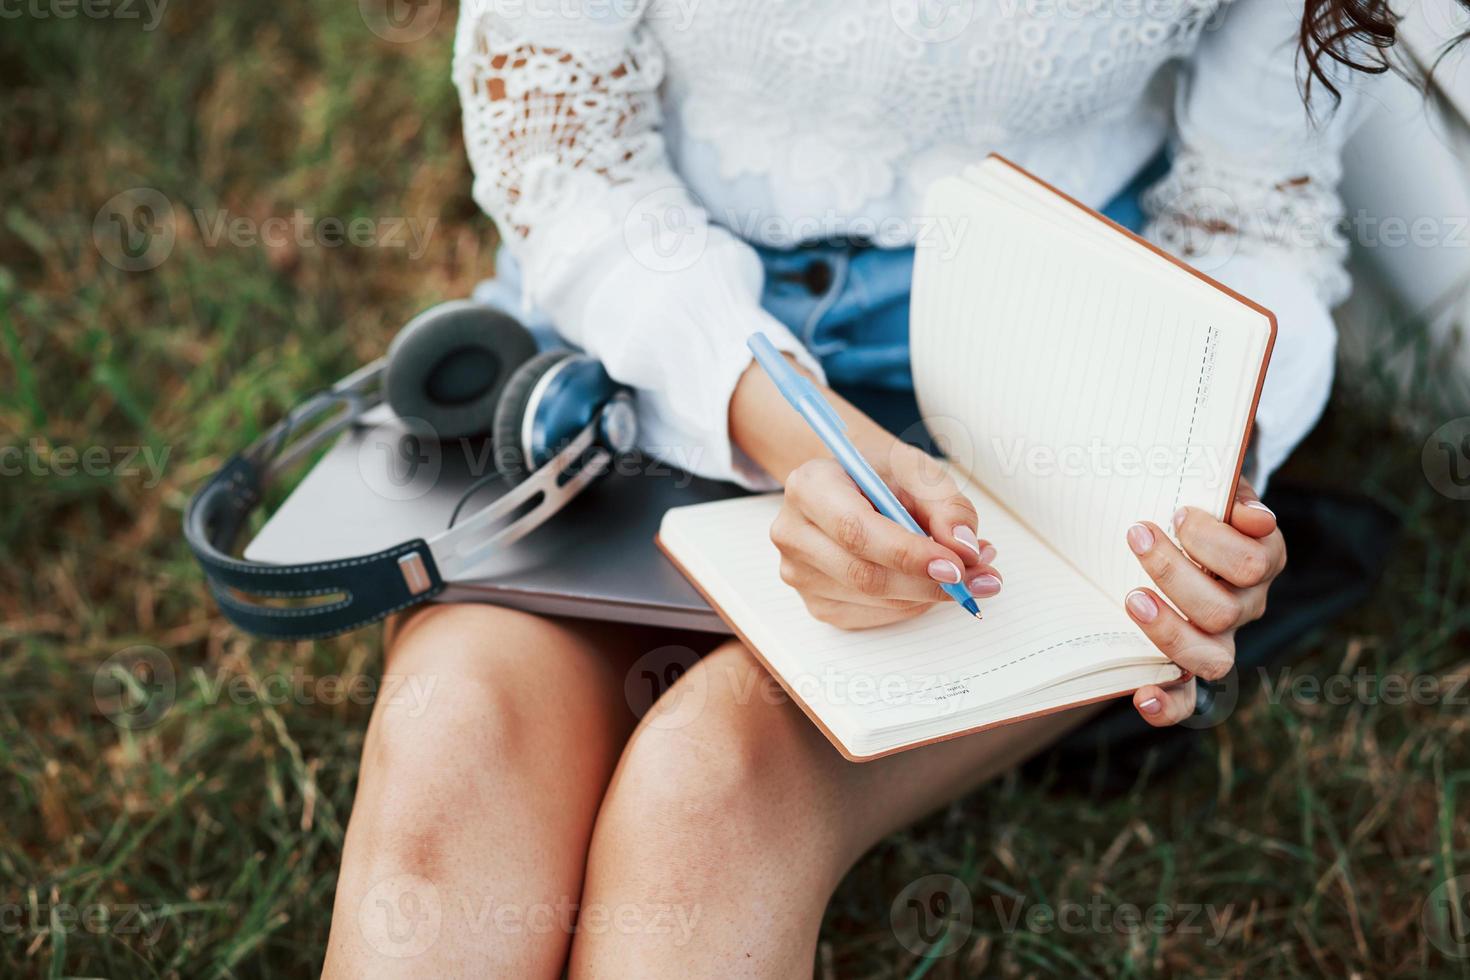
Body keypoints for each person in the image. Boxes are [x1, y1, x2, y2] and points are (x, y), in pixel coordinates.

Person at [321, 0, 1433, 973]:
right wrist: (805, 440)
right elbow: (563, 149)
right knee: (452, 747)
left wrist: (1194, 485)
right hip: (649, 324)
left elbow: (1250, 218)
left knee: (705, 795)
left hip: (1032, 418)